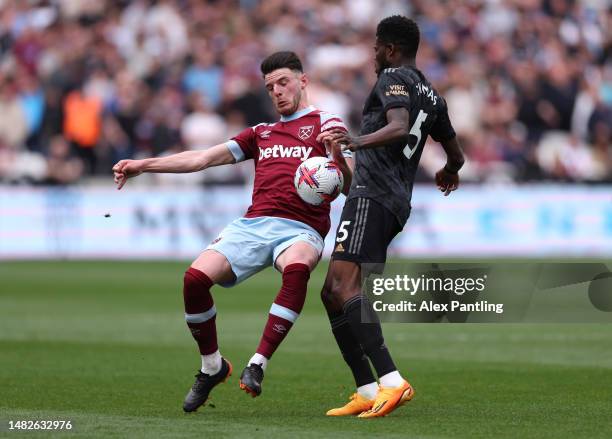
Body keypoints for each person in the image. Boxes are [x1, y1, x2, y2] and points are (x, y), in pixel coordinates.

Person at [112, 51, 352, 412]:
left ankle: (258, 363)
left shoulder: (326, 123)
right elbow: (202, 158)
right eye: (270, 87)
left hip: (301, 229)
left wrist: (339, 163)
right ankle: (211, 367)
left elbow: (350, 184)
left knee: (298, 267)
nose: (277, 91)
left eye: (284, 82)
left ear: (303, 81)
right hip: (253, 225)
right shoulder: (261, 133)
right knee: (194, 279)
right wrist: (142, 165)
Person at [318, 15, 465, 418]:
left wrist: (357, 141)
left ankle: (392, 380)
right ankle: (366, 388)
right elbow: (457, 155)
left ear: (391, 49)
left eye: (376, 48)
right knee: (332, 291)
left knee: (346, 286)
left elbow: (399, 126)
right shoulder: (434, 97)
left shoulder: (392, 77)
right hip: (394, 200)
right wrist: (449, 171)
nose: (374, 55)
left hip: (374, 196)